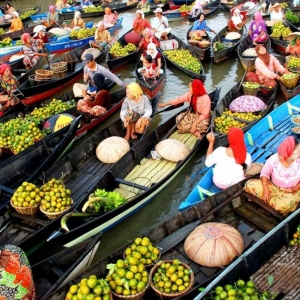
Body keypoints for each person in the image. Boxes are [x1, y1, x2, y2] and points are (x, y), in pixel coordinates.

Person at [244, 137, 300, 215]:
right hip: (273, 187)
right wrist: (266, 189)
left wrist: (294, 189)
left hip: (292, 192)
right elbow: (265, 173)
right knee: (249, 184)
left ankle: (266, 204)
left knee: (282, 205)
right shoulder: (274, 159)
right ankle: (270, 204)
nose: (299, 153)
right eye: (297, 152)